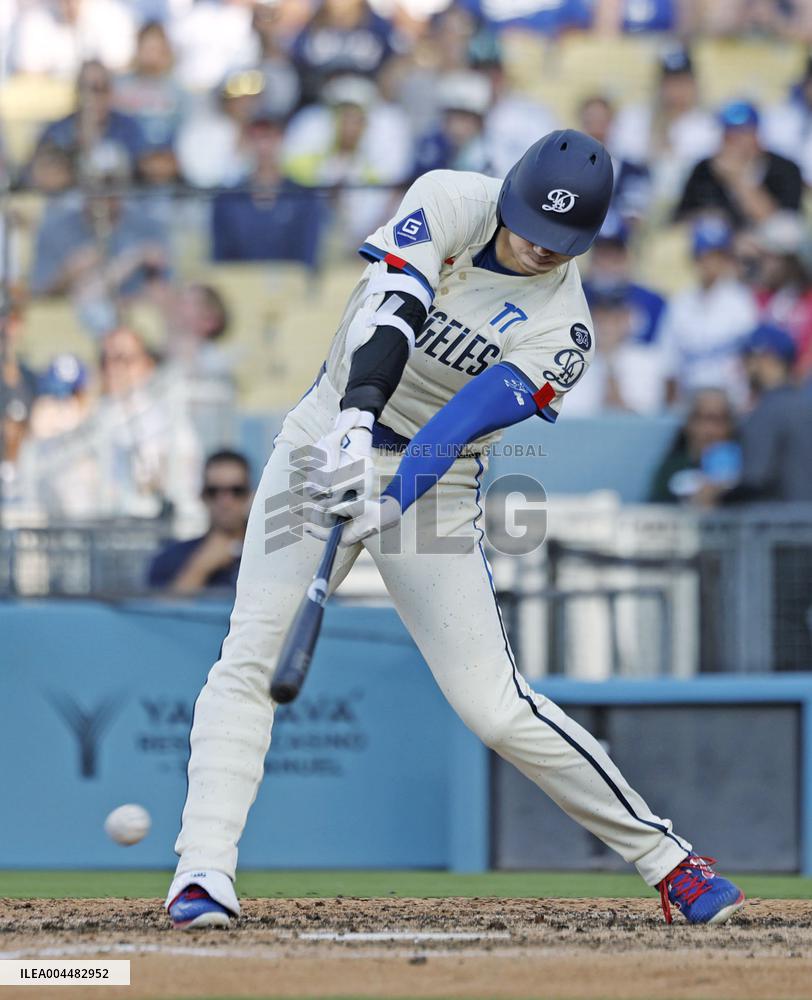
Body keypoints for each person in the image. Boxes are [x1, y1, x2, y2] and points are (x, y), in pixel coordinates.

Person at [165, 129, 745, 931]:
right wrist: (352, 422)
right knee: (252, 655)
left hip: (432, 488)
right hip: (322, 441)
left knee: (494, 706)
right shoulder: (448, 198)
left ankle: (670, 861)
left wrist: (395, 495)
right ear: (507, 197)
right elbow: (392, 308)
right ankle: (202, 871)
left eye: (562, 242)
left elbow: (467, 415)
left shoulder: (566, 330)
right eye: (532, 228)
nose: (543, 250)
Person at [657, 216, 757, 407]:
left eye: (717, 256)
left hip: (731, 402)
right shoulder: (680, 303)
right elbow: (668, 365)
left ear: (726, 259)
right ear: (695, 258)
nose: (710, 263)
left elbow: (750, 360)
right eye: (705, 255)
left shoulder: (741, 301)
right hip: (690, 403)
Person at [211, 112, 326, 269]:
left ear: (281, 140)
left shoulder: (304, 198)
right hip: (238, 286)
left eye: (269, 137)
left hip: (291, 287)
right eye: (256, 138)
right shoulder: (227, 200)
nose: (263, 146)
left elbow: (309, 258)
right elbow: (220, 259)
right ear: (246, 143)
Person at [674, 100, 803, 229]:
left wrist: (736, 179)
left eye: (741, 134)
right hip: (720, 239)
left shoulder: (785, 169)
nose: (732, 141)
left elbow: (780, 223)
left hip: (767, 242)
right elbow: (681, 217)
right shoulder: (704, 169)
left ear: (756, 135)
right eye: (728, 134)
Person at [148, 450, 252, 594]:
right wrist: (200, 567)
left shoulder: (271, 557)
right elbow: (158, 612)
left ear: (250, 495)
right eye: (214, 491)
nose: (225, 502)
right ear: (202, 496)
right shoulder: (168, 560)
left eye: (236, 491)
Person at [31, 60, 147, 180]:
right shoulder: (56, 133)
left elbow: (146, 171)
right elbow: (29, 175)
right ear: (77, 92)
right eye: (87, 89)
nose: (94, 97)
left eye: (102, 88)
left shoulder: (129, 129)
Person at [648, 388, 739, 503]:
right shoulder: (672, 471)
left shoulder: (746, 470)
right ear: (688, 424)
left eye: (718, 420)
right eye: (702, 419)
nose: (710, 431)